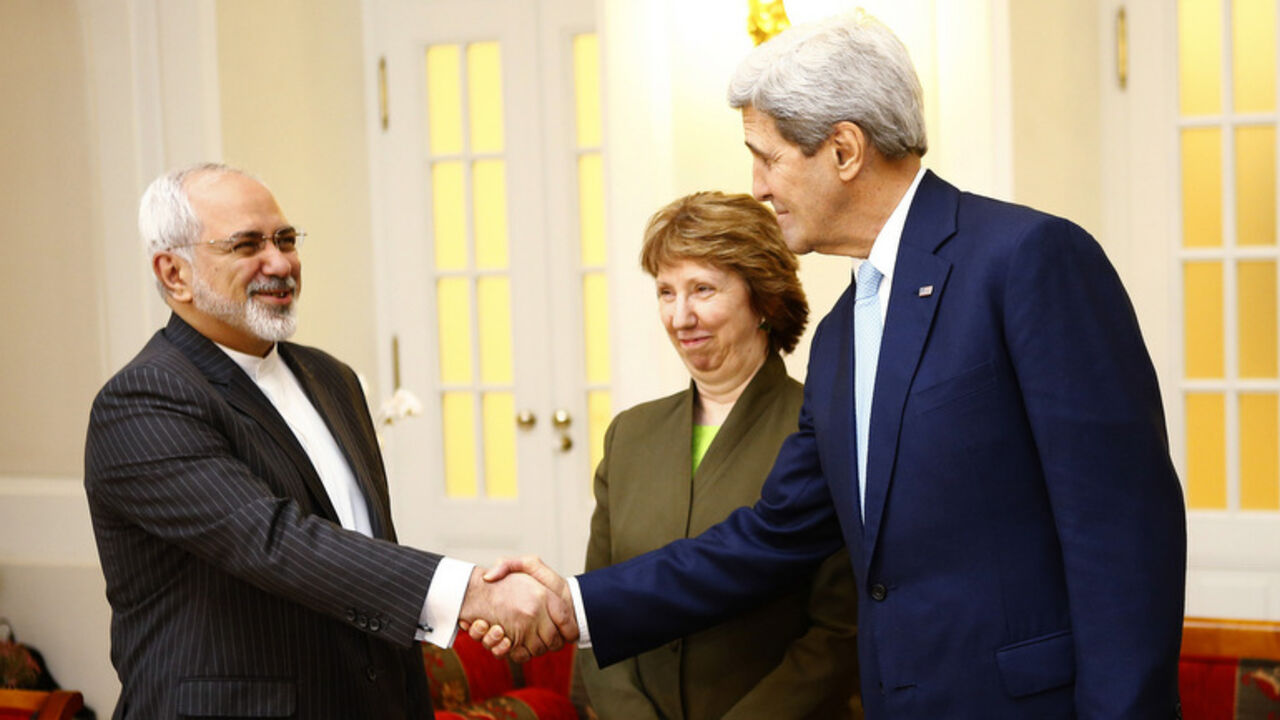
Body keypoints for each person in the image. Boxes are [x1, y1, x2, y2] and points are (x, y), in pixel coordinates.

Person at [475, 11, 1187, 719]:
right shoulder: (843, 332)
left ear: (844, 149)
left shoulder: (1027, 260)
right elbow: (772, 534)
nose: (756, 186)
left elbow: (1124, 533)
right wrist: (576, 601)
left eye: (768, 156)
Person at [83, 163, 570, 719]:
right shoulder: (144, 400)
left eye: (286, 239)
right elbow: (273, 543)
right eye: (247, 245)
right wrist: (472, 594)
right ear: (174, 274)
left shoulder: (331, 379)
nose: (281, 262)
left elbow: (367, 550)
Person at [578, 191, 859, 720]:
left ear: (763, 298)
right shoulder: (628, 436)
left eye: (702, 289)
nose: (680, 317)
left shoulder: (825, 428)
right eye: (666, 292)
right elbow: (596, 617)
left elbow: (839, 633)